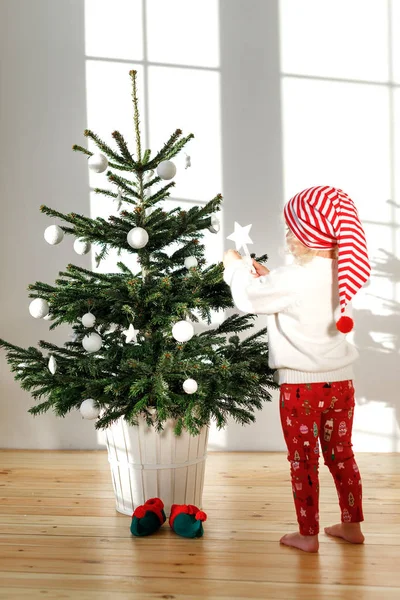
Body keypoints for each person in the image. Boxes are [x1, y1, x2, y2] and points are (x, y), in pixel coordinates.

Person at [222, 186, 370, 553]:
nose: (287, 235)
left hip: (302, 390)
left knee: (303, 460)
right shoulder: (342, 271)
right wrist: (268, 275)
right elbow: (296, 298)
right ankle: (353, 526)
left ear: (309, 235)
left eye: (292, 229)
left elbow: (249, 297)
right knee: (342, 454)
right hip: (341, 384)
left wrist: (236, 268)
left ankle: (308, 535)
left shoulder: (292, 279)